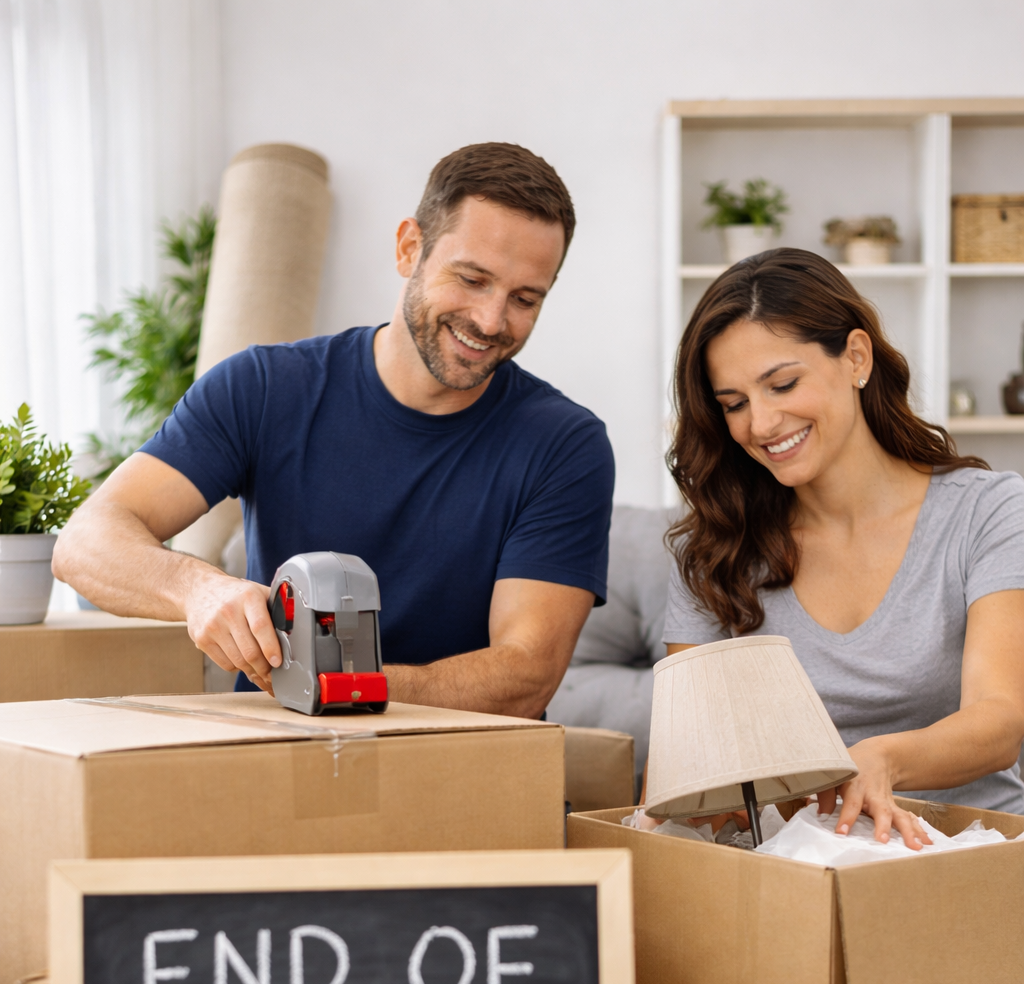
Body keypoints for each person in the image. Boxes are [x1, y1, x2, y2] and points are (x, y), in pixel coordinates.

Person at [54, 143, 614, 718]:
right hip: (284, 759)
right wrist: (198, 588)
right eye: (472, 279)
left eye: (524, 299)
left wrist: (335, 686)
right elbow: (85, 545)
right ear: (408, 248)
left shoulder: (565, 445)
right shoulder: (264, 387)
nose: (492, 321)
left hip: (461, 768)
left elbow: (524, 677)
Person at [659, 247, 1024, 847]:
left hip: (966, 856)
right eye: (734, 404)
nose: (762, 423)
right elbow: (700, 758)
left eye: (782, 384)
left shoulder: (986, 511)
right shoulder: (716, 548)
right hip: (796, 868)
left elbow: (1000, 721)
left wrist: (880, 760)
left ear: (856, 357)